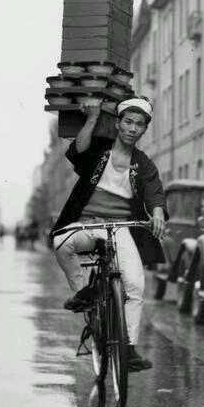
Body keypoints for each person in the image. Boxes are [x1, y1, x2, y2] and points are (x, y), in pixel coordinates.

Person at [52, 97, 167, 372]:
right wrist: (91, 118)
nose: (132, 128)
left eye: (139, 124)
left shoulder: (143, 163)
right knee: (61, 243)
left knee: (136, 285)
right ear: (118, 123)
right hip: (87, 224)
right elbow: (78, 153)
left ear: (144, 130)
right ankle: (84, 294)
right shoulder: (100, 150)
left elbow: (154, 190)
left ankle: (128, 350)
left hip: (120, 228)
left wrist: (159, 212)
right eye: (128, 122)